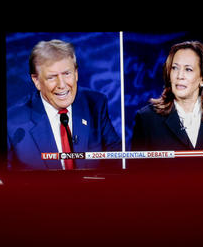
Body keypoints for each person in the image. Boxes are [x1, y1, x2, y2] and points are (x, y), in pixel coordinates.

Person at [7, 39, 121, 171]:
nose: (62, 85)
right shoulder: (13, 123)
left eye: (67, 74)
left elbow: (115, 156)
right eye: (52, 77)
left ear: (76, 74)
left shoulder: (95, 104)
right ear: (36, 81)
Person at [131, 40, 203, 168]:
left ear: (202, 77)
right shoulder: (147, 119)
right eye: (175, 68)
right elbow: (138, 176)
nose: (179, 75)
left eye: (188, 69)